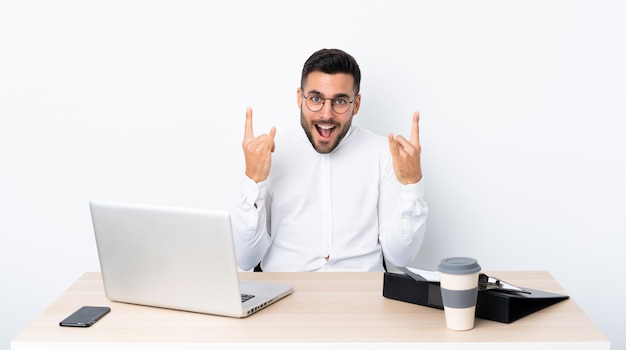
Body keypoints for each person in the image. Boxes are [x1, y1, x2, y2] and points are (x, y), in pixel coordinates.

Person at [231, 48, 427, 272]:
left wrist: (412, 185)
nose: (326, 114)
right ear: (299, 98)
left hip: (363, 297)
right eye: (316, 99)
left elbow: (401, 257)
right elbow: (245, 259)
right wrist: (253, 180)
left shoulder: (383, 153)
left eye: (340, 101)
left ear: (357, 104)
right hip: (284, 295)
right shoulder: (270, 154)